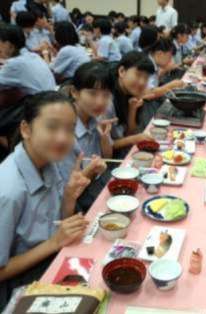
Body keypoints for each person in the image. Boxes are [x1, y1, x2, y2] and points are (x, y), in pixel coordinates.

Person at [0, 91, 91, 311]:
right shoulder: (9, 190)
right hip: (21, 283)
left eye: (69, 129)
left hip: (53, 257)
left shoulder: (48, 162)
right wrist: (54, 243)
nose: (63, 138)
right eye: (52, 127)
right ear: (26, 129)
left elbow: (54, 223)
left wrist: (69, 197)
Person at [59, 62, 113, 212]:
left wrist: (104, 138)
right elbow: (67, 193)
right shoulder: (64, 133)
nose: (100, 101)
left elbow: (108, 156)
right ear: (74, 92)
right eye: (92, 93)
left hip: (93, 186)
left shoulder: (92, 118)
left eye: (106, 95)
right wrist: (91, 170)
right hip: (73, 203)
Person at [106, 51, 155, 156]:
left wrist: (132, 110)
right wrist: (135, 139)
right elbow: (107, 147)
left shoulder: (129, 93)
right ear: (122, 71)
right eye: (138, 75)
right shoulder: (107, 101)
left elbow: (129, 132)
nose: (142, 82)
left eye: (146, 78)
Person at [0, 24, 55, 95]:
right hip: (53, 98)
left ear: (8, 45)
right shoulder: (33, 56)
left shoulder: (14, 64)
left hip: (44, 104)